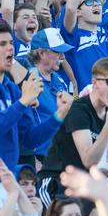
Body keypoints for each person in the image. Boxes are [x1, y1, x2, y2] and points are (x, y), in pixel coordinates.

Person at [0, 23, 63, 208]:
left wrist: (58, 115)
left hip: (7, 181)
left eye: (11, 43)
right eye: (2, 44)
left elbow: (30, 139)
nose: (10, 47)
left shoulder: (10, 88)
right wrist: (23, 101)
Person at [38, 58, 108, 206]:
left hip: (86, 187)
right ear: (95, 83)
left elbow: (107, 162)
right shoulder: (79, 110)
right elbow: (89, 160)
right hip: (57, 184)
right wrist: (107, 127)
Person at [27, 28, 73, 159]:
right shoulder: (28, 80)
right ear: (42, 53)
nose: (63, 57)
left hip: (61, 154)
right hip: (40, 156)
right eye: (58, 53)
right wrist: (33, 158)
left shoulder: (58, 79)